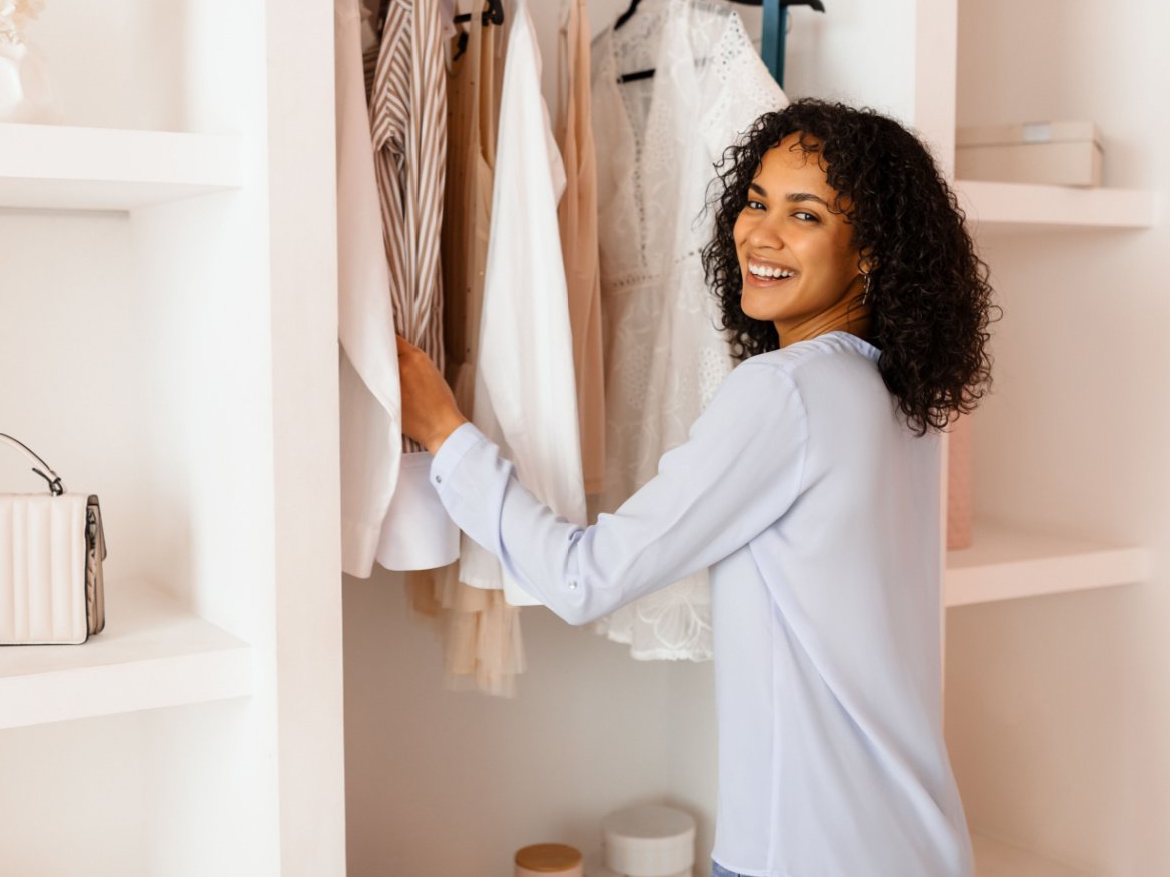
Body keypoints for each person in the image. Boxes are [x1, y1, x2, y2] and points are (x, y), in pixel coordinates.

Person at [397, 98, 999, 877]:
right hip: (918, 842)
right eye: (756, 201)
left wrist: (446, 435)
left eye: (805, 215)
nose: (761, 233)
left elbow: (584, 578)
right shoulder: (901, 396)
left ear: (871, 252)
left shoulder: (786, 392)